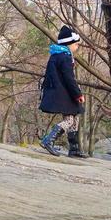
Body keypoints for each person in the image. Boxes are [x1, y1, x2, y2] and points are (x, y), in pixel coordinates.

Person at [37, 25, 86, 158]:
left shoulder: (56, 55)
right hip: (64, 93)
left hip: (60, 92)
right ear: (69, 44)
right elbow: (69, 78)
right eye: (76, 44)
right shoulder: (64, 57)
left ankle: (74, 149)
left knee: (74, 117)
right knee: (70, 120)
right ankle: (48, 140)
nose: (77, 47)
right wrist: (78, 94)